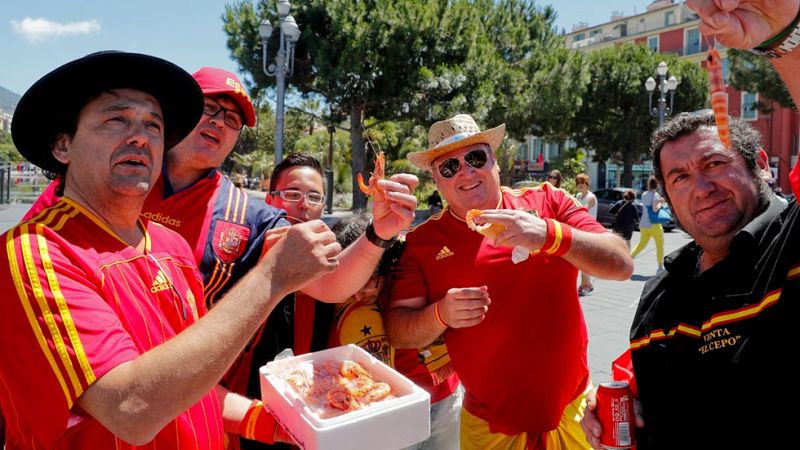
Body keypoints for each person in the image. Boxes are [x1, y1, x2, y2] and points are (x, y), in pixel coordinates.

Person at [0, 51, 342, 449]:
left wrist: (268, 422)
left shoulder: (172, 246)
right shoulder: (37, 253)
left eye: (154, 125)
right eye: (116, 119)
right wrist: (273, 276)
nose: (141, 136)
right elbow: (131, 409)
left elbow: (187, 377)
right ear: (63, 145)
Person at [385, 114, 633, 449]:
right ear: (436, 179)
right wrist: (440, 314)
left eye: (475, 158)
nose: (466, 172)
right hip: (489, 430)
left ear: (494, 160)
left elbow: (621, 263)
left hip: (573, 416)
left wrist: (549, 234)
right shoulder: (422, 242)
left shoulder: (548, 202)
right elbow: (399, 331)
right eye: (449, 167)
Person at [580, 107, 800, 448]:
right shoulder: (661, 289)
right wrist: (631, 405)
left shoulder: (793, 240)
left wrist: (778, 49)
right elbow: (652, 380)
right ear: (667, 197)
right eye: (679, 177)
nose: (701, 188)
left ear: (759, 164)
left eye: (714, 163)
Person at [329, 211, 463, 450]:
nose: (358, 295)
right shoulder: (331, 290)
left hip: (444, 398)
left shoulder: (414, 267)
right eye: (351, 282)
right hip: (389, 409)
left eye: (368, 282)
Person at [630, 177, 666, 273]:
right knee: (660, 245)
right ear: (657, 185)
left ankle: (629, 260)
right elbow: (655, 209)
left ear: (648, 185)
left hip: (643, 223)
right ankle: (660, 267)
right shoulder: (656, 195)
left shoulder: (644, 194)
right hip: (654, 224)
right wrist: (661, 202)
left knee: (641, 244)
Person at [575, 173, 598, 295]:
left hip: (589, 230)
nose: (580, 185)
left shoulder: (591, 197)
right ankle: (584, 284)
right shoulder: (578, 195)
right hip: (580, 230)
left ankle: (588, 284)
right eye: (578, 183)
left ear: (587, 184)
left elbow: (584, 210)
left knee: (584, 258)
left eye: (582, 182)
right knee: (581, 258)